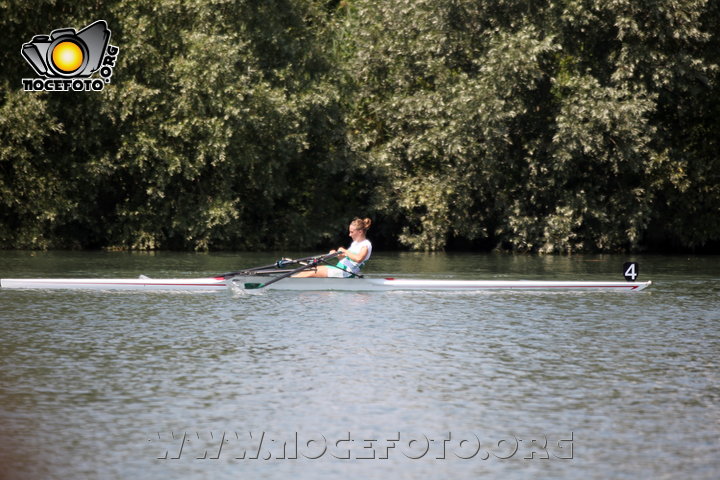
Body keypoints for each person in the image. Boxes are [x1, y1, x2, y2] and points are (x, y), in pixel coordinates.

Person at [295, 218, 372, 278]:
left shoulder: (366, 244)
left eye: (352, 232)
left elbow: (359, 259)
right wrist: (337, 254)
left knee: (312, 272)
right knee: (309, 270)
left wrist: (345, 251)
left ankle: (287, 282)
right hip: (340, 269)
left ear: (360, 232)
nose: (349, 234)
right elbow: (346, 260)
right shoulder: (355, 244)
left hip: (346, 273)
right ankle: (290, 280)